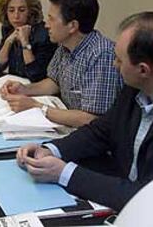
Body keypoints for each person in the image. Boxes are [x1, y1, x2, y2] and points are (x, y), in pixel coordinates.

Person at [16, 12, 153, 211]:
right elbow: (101, 131)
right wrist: (50, 149)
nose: (114, 65)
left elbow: (145, 198)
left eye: (120, 61)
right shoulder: (134, 90)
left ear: (143, 70)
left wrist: (64, 173)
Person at [0, 0, 122, 128]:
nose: (46, 25)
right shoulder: (64, 46)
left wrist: (37, 107)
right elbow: (54, 83)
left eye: (51, 19)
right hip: (68, 123)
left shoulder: (102, 55)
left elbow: (92, 119)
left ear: (72, 26)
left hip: (92, 136)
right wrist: (25, 89)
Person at [0, 0, 57, 82]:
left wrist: (25, 43)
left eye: (22, 10)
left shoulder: (44, 33)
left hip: (37, 88)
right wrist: (8, 42)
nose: (16, 16)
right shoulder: (8, 28)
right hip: (15, 84)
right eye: (11, 10)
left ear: (31, 11)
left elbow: (36, 75)